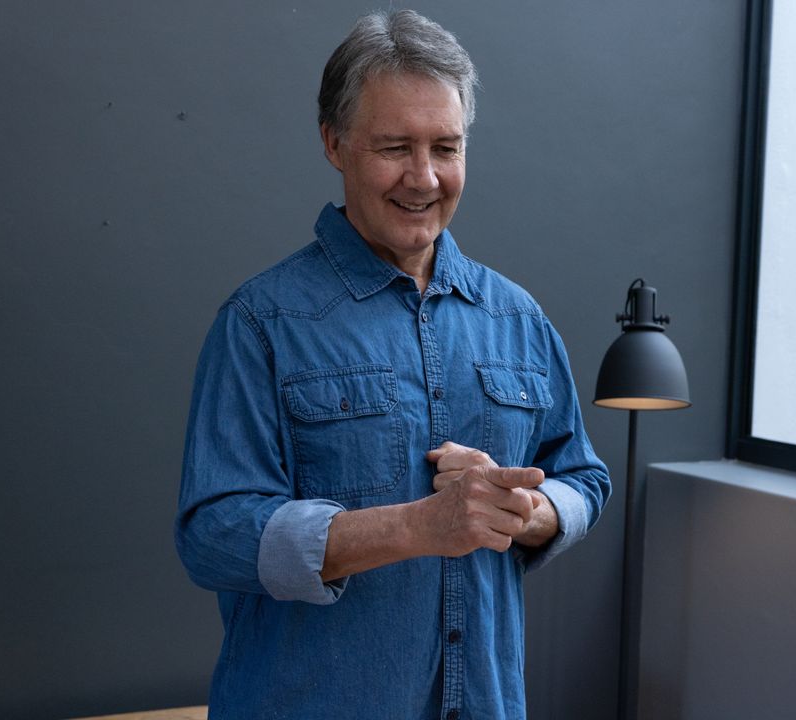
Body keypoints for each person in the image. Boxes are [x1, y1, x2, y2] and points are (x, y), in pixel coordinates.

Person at [175, 9, 610, 720]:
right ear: (334, 143)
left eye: (446, 145)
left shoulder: (519, 320)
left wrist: (528, 510)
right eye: (394, 147)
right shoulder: (260, 324)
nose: (425, 177)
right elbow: (213, 536)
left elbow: (584, 479)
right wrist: (418, 527)